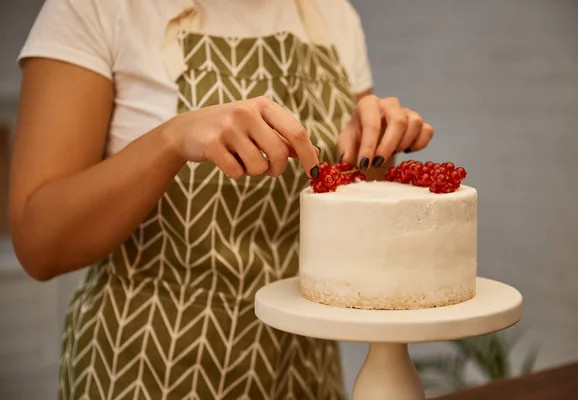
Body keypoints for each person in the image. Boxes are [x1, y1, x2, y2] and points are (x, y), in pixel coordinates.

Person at [10, 0, 434, 398]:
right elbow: (40, 244)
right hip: (145, 367)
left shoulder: (332, 14)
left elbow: (348, 217)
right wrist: (171, 140)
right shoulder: (97, 8)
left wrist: (378, 147)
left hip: (302, 369)